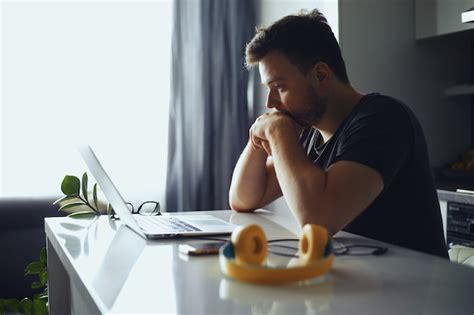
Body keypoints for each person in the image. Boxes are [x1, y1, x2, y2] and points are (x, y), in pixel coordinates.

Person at [228, 9, 448, 258]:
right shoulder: (311, 134)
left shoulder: (384, 119)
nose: (270, 102)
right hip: (364, 284)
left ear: (321, 75)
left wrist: (278, 132)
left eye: (279, 87)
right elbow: (243, 198)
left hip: (416, 290)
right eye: (268, 89)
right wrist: (256, 139)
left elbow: (318, 221)